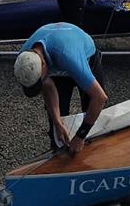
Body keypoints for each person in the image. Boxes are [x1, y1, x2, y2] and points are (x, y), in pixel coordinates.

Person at [13, 22, 107, 154]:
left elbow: (100, 98)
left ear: (44, 65)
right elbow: (47, 85)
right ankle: (59, 152)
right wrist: (57, 122)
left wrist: (80, 136)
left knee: (93, 117)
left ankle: (93, 155)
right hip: (57, 58)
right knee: (57, 128)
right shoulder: (25, 57)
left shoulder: (69, 57)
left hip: (82, 53)